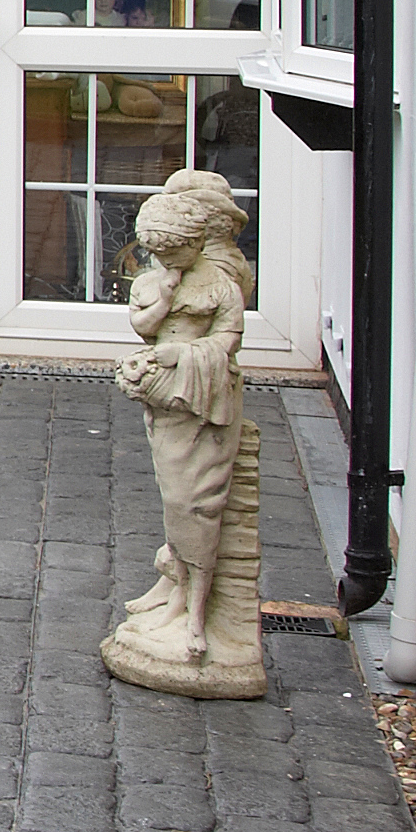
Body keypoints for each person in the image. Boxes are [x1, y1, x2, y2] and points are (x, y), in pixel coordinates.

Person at [111, 168, 253, 666]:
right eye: (158, 253)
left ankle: (196, 615)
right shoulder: (155, 281)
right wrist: (164, 301)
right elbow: (143, 324)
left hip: (205, 399)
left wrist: (180, 356)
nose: (165, 261)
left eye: (175, 252)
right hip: (165, 401)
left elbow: (229, 342)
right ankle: (175, 590)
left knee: (198, 503)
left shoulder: (222, 281)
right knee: (176, 497)